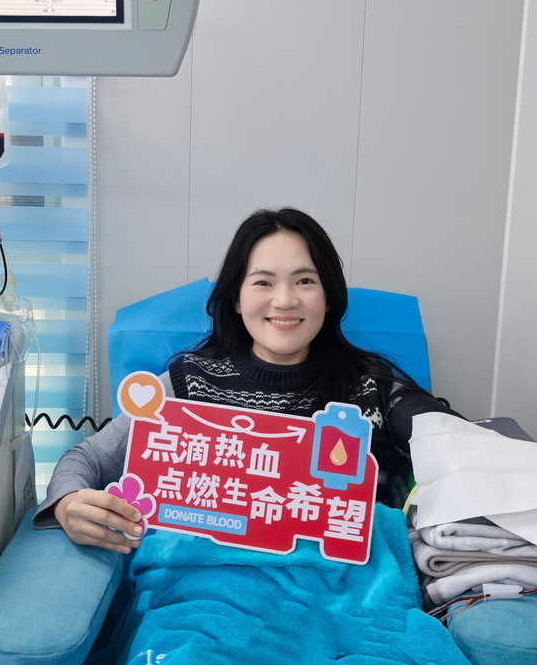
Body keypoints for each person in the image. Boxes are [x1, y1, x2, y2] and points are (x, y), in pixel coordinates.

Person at [33, 207, 463, 554]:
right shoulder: (187, 385)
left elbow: (457, 443)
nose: (285, 300)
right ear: (237, 299)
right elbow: (86, 459)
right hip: (212, 596)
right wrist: (68, 503)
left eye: (305, 281)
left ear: (328, 297)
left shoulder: (371, 387)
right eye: (263, 282)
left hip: (343, 599)